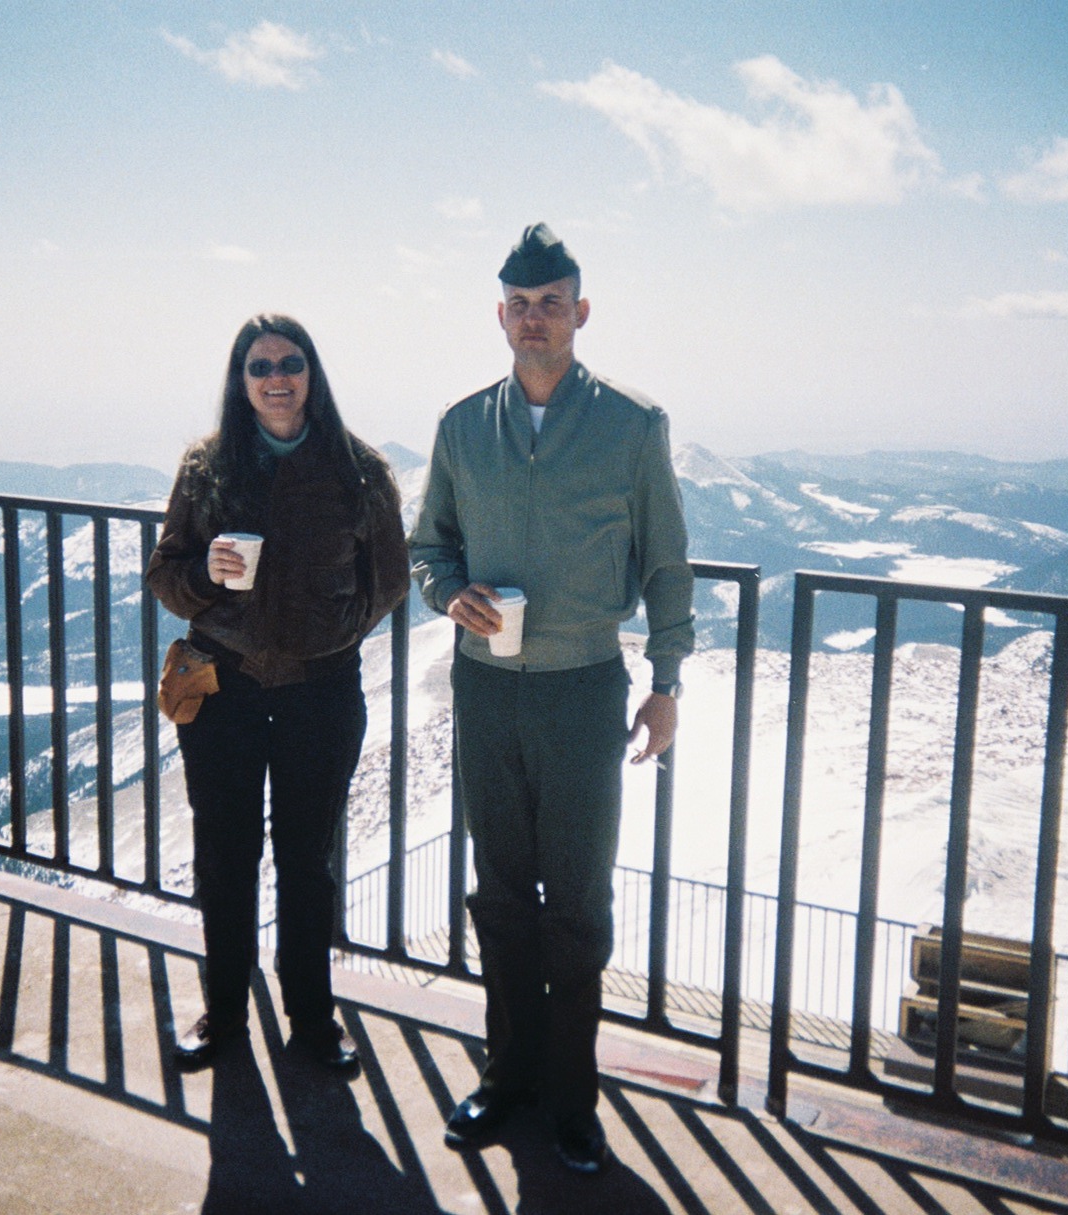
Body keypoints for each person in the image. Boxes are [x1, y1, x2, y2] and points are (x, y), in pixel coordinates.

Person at [409, 223, 694, 1173]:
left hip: (582, 690)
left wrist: (666, 683)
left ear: (582, 312)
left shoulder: (632, 425)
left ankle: (572, 1096)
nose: (535, 319)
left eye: (552, 303)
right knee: (498, 892)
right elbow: (427, 546)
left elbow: (665, 563)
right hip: (487, 689)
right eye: (520, 305)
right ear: (500, 316)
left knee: (575, 902)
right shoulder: (462, 426)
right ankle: (507, 1075)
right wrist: (449, 592)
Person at [146, 313, 410, 1074]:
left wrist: (331, 632)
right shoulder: (208, 466)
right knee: (224, 856)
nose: (276, 378)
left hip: (319, 695)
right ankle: (225, 1011)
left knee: (306, 860)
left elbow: (389, 578)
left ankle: (312, 1020)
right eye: (259, 366)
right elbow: (166, 573)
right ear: (241, 381)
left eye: (290, 363)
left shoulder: (359, 469)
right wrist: (205, 576)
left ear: (311, 373)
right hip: (222, 691)